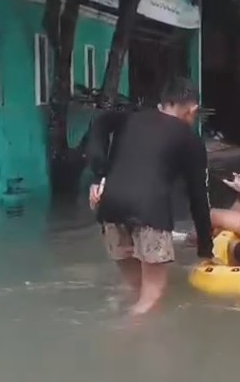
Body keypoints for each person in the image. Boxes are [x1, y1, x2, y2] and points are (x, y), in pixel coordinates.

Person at [85, 77, 213, 316]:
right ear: (192, 109)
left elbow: (100, 122)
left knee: (135, 289)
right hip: (151, 213)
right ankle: (123, 336)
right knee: (150, 298)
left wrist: (99, 174)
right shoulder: (190, 139)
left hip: (110, 209)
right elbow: (198, 198)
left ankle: (124, 325)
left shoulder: (132, 118)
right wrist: (206, 249)